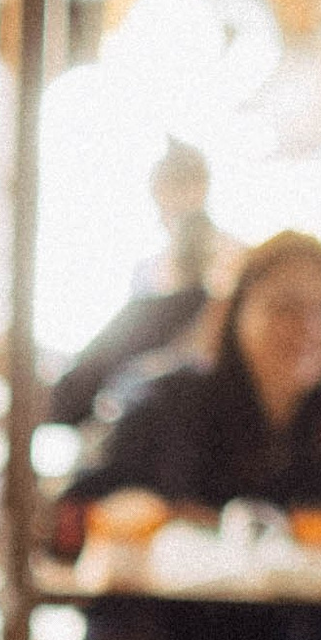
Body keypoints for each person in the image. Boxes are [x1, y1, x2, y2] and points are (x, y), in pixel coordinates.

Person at [58, 230, 321, 640]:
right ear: (235, 311)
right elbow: (75, 519)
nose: (308, 328)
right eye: (285, 308)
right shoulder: (163, 403)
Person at [43, 138, 228, 431]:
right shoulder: (150, 272)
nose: (163, 212)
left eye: (171, 192)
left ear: (199, 189)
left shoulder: (223, 268)